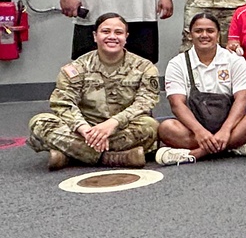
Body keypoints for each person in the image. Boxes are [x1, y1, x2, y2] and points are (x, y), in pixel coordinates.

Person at [27, 12, 159, 170]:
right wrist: (84, 129)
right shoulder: (77, 68)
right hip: (84, 128)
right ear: (95, 36)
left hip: (121, 128)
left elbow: (144, 103)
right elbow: (63, 103)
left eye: (118, 32)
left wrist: (113, 123)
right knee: (39, 122)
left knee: (150, 126)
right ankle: (112, 158)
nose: (112, 37)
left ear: (126, 37)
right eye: (105, 32)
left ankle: (70, 154)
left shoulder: (145, 67)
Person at [155, 13, 246, 164]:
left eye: (210, 31)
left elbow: (242, 99)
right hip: (194, 130)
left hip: (230, 126)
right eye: (198, 31)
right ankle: (231, 147)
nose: (204, 35)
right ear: (190, 35)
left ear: (218, 34)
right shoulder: (177, 64)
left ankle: (196, 154)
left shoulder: (235, 60)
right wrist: (199, 131)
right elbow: (177, 105)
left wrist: (225, 130)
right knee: (166, 128)